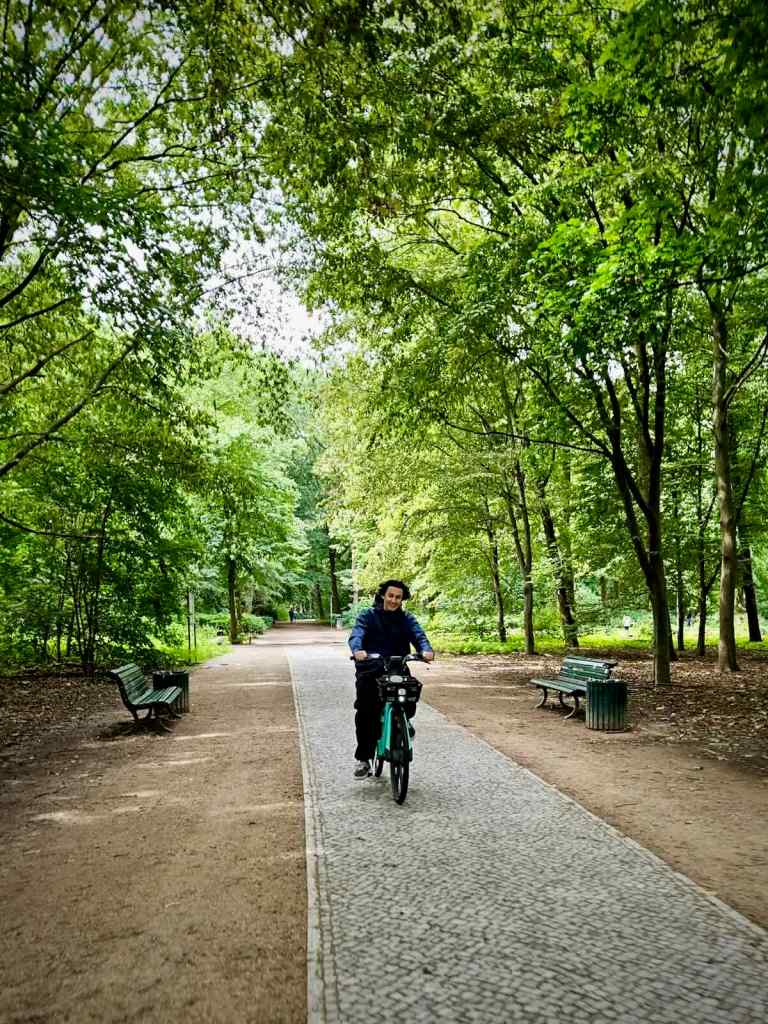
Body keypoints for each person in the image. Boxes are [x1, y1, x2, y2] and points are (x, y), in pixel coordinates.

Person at [348, 579, 434, 778]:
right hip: (370, 668)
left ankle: (403, 724)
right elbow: (357, 634)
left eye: (398, 597)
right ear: (383, 596)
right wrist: (358, 650)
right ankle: (364, 759)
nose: (394, 600)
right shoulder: (367, 616)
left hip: (397, 668)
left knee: (409, 699)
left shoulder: (406, 619)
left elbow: (419, 635)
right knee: (366, 709)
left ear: (402, 599)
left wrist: (426, 650)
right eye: (391, 596)